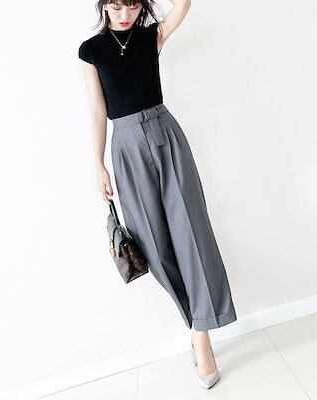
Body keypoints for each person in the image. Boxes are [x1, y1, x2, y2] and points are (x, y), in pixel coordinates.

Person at [78, 0, 237, 389]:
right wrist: (97, 163)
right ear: (104, 6)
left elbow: (184, 4)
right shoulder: (91, 51)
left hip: (166, 134)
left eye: (133, 6)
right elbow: (97, 110)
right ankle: (195, 320)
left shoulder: (153, 36)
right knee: (153, 244)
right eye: (116, 7)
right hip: (126, 146)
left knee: (191, 234)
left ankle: (202, 337)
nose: (125, 15)